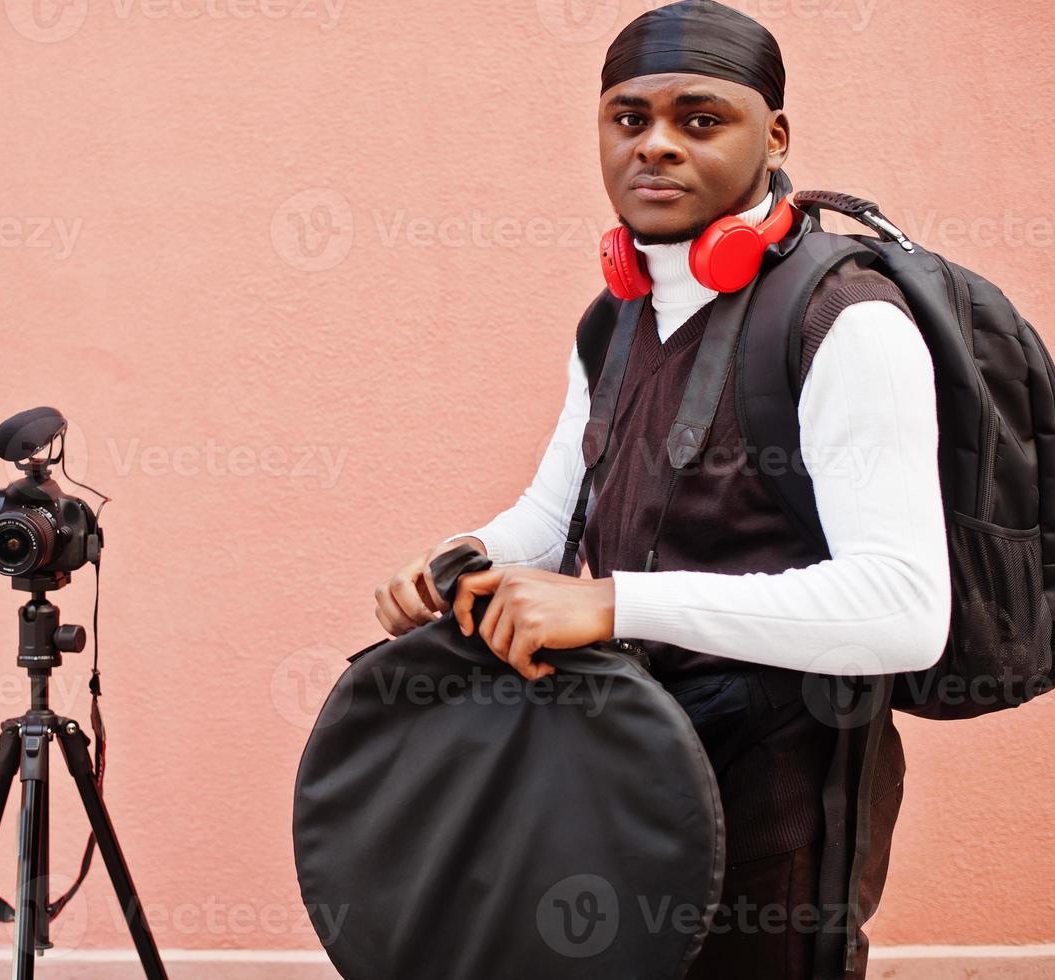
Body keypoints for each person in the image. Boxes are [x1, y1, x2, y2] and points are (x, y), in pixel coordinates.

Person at [372, 2, 951, 976]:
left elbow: (905, 607)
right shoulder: (614, 324)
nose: (657, 147)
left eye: (700, 119)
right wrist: (460, 561)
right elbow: (553, 521)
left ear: (774, 137)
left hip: (781, 818)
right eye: (629, 119)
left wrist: (609, 602)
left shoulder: (848, 323)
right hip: (623, 775)